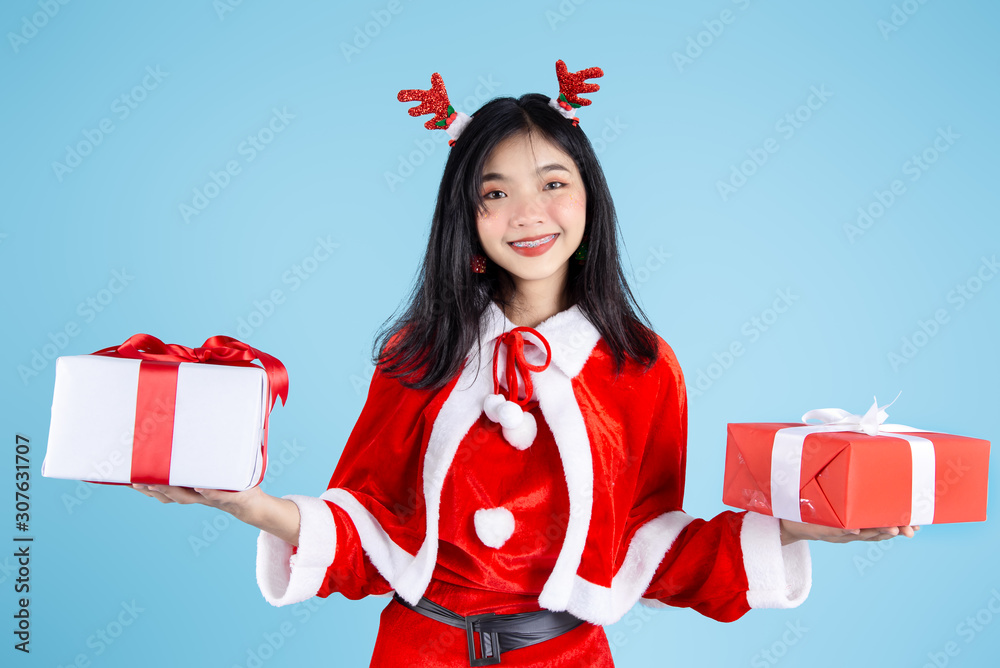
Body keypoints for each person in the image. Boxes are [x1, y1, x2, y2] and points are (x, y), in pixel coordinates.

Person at [133, 63, 918, 667]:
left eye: (552, 184)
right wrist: (247, 505)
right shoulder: (418, 354)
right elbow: (365, 530)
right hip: (418, 651)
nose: (528, 214)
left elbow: (655, 548)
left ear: (589, 198)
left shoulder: (643, 368)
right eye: (494, 193)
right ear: (465, 219)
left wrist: (801, 527)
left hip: (566, 656)